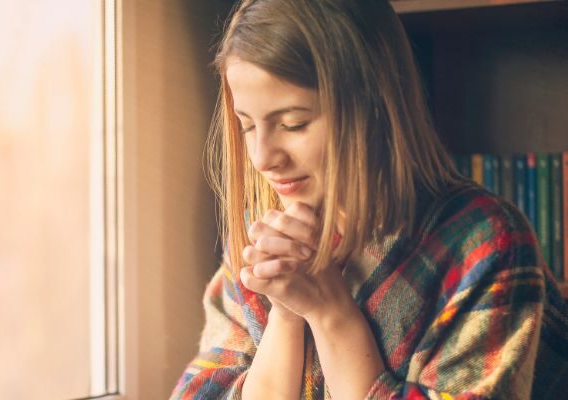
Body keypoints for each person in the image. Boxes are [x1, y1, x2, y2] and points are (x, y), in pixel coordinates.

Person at [169, 0, 568, 398]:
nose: (262, 158)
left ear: (372, 105)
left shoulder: (484, 246)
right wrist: (286, 316)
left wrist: (331, 315)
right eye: (247, 126)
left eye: (294, 124)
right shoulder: (260, 238)